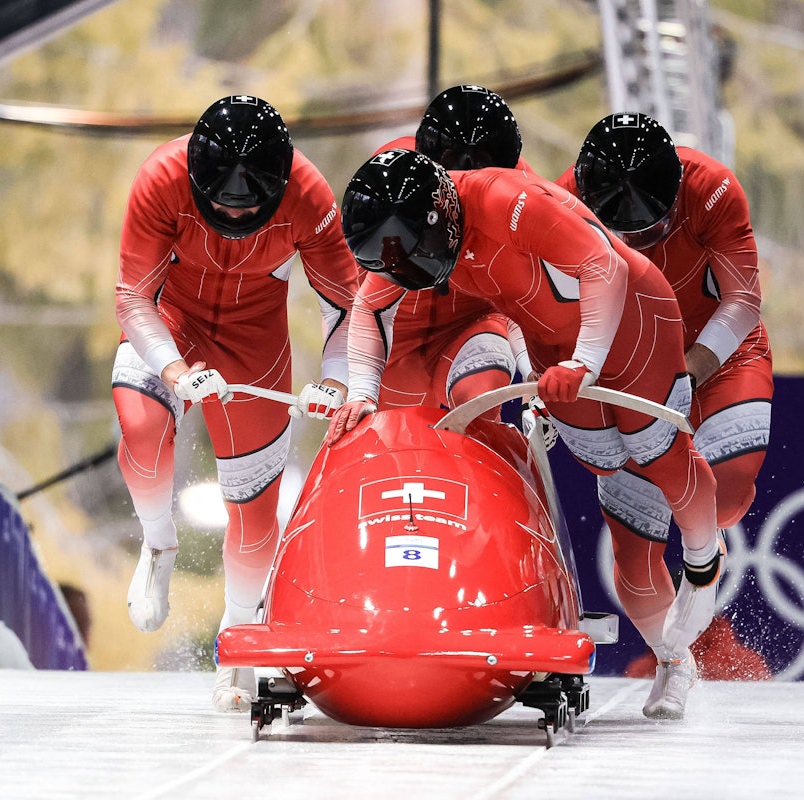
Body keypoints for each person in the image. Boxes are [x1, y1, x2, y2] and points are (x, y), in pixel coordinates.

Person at [328, 149, 724, 719]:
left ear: (440, 217)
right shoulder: (412, 233)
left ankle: (704, 559)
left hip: (633, 320)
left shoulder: (505, 200)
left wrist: (585, 363)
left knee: (655, 453)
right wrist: (363, 392)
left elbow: (604, 266)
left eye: (415, 261)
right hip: (557, 350)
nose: (410, 278)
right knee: (611, 466)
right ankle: (674, 657)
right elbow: (366, 306)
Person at [112, 95, 358, 712]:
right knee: (141, 427)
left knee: (253, 509)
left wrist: (334, 379)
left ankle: (239, 641)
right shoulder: (159, 179)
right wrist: (171, 366)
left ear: (278, 189)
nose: (233, 211)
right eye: (220, 204)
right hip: (172, 318)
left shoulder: (310, 196)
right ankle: (159, 542)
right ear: (195, 182)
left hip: (256, 341)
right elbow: (133, 299)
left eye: (249, 207)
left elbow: (346, 307)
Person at [557, 113, 773, 688]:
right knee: (635, 551)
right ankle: (675, 657)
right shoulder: (558, 200)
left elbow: (744, 300)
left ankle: (705, 551)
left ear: (676, 193)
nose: (640, 241)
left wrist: (691, 370)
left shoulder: (715, 189)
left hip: (720, 351)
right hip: (634, 363)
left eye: (652, 229)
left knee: (724, 495)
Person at [359, 85, 523, 419]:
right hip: (396, 335)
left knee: (481, 397)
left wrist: (535, 367)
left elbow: (528, 292)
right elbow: (367, 302)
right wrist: (358, 388)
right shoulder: (393, 179)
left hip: (471, 321)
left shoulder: (524, 194)